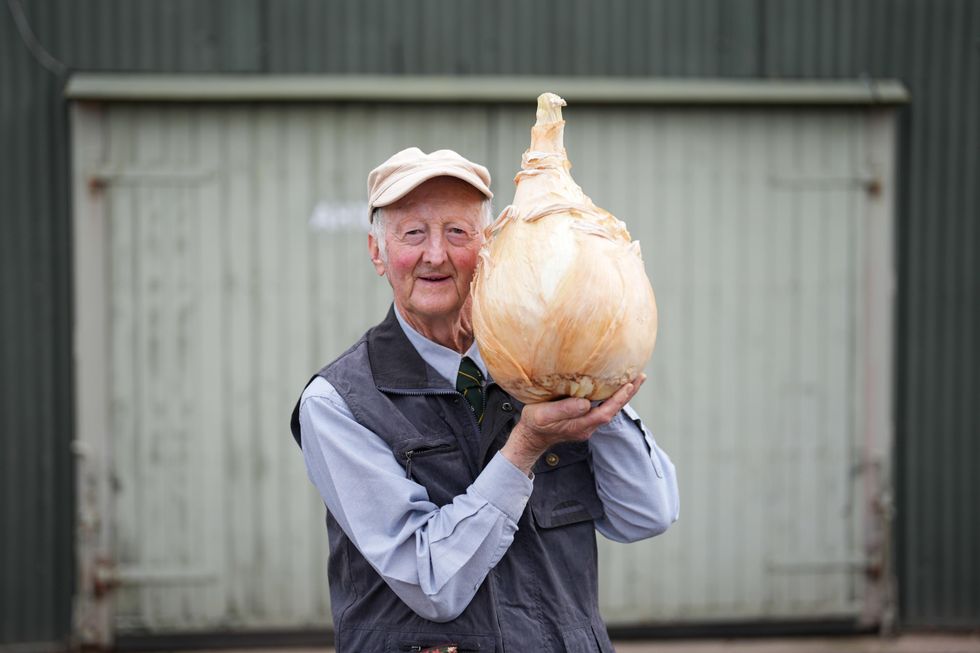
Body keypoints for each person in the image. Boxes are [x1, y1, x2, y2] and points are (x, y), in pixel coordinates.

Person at [290, 147, 679, 653]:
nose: (436, 254)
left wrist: (592, 366)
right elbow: (431, 581)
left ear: (490, 247)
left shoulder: (545, 363)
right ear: (377, 252)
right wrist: (524, 447)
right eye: (413, 233)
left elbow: (645, 515)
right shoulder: (340, 403)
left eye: (458, 232)